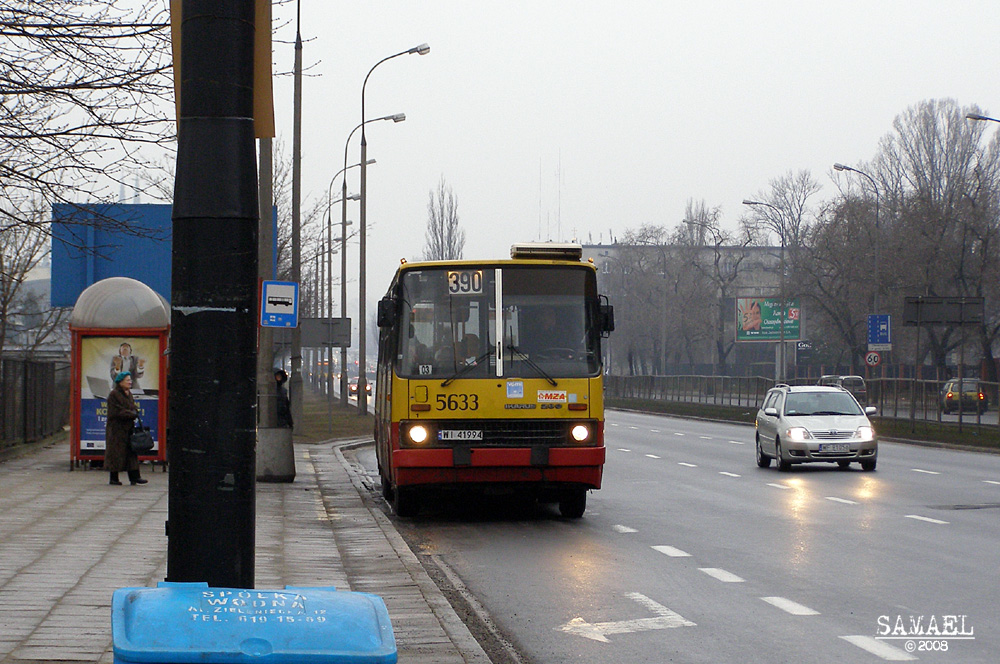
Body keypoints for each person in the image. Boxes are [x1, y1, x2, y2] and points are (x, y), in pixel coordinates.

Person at [105, 371, 147, 486]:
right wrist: (131, 414)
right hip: (116, 429)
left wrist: (134, 412)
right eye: (127, 380)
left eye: (130, 380)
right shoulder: (114, 394)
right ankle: (114, 478)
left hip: (128, 428)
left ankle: (135, 477)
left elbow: (132, 407)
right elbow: (116, 411)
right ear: (120, 382)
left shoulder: (129, 394)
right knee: (116, 453)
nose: (130, 382)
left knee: (131, 453)